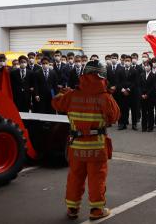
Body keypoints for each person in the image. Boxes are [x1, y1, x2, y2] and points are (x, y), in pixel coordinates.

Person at [51, 60, 120, 220]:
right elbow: (115, 116)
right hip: (97, 146)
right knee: (97, 177)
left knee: (75, 176)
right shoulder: (105, 97)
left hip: (76, 145)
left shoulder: (72, 94)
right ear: (103, 76)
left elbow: (56, 104)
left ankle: (72, 208)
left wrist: (63, 92)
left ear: (84, 74)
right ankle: (96, 210)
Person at [116, 55, 138, 130]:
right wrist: (122, 89)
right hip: (122, 93)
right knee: (123, 109)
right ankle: (123, 124)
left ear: (131, 62)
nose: (127, 62)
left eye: (128, 61)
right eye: (126, 60)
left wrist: (128, 89)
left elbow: (135, 82)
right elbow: (118, 82)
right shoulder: (120, 70)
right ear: (123, 61)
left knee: (133, 109)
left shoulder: (134, 71)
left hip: (132, 93)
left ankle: (134, 124)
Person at [139, 60, 156, 132]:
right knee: (143, 112)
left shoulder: (153, 75)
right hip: (142, 96)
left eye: (148, 66)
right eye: (145, 65)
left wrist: (147, 94)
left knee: (150, 112)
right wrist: (142, 94)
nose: (146, 67)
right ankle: (144, 126)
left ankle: (150, 126)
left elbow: (153, 87)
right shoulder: (141, 75)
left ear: (151, 66)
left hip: (150, 96)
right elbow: (139, 86)